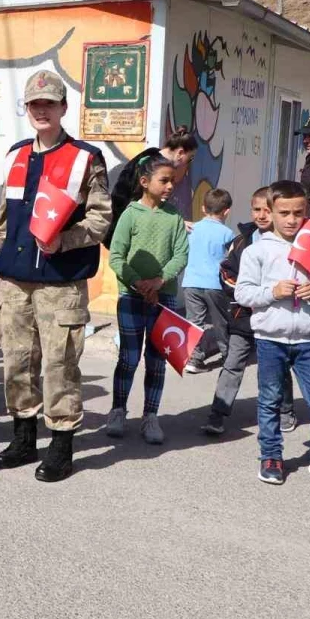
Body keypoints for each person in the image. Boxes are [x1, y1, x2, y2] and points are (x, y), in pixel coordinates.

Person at [0, 69, 111, 483]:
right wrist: (2, 258)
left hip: (60, 279)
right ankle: (24, 439)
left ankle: (62, 446)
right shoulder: (17, 154)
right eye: (34, 104)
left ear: (63, 107)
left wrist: (65, 240)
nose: (42, 110)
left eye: (49, 103)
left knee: (60, 364)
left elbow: (101, 219)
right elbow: (5, 218)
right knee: (17, 362)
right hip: (16, 279)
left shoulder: (85, 158)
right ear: (26, 109)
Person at [233, 181, 310, 488]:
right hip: (270, 338)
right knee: (270, 400)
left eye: (298, 213)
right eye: (284, 212)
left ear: (307, 212)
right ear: (270, 212)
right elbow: (244, 293)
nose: (291, 219)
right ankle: (271, 456)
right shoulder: (256, 251)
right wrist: (272, 292)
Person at [107, 157, 189, 445]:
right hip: (131, 296)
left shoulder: (174, 216)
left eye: (172, 180)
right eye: (163, 180)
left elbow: (181, 254)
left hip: (162, 298)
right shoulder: (130, 215)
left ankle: (150, 416)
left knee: (157, 361)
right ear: (144, 182)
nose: (170, 185)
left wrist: (159, 281)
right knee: (128, 358)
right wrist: (137, 282)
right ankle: (118, 410)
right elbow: (116, 256)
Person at [202, 187, 297, 436]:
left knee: (278, 367)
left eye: (268, 210)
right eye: (257, 209)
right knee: (233, 364)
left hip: (277, 317)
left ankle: (285, 410)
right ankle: (217, 414)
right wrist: (245, 294)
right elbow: (226, 273)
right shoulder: (242, 241)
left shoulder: (291, 243)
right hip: (242, 317)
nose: (262, 215)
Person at [106, 127, 198, 246]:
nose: (169, 186)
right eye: (190, 158)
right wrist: (176, 223)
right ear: (180, 153)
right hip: (132, 235)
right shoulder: (156, 166)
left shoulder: (150, 156)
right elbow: (148, 205)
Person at [182, 189, 236, 373]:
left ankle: (194, 360)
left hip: (191, 282)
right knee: (221, 322)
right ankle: (228, 356)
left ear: (203, 208)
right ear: (226, 211)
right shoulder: (228, 234)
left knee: (193, 322)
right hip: (215, 284)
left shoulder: (191, 228)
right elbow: (230, 260)